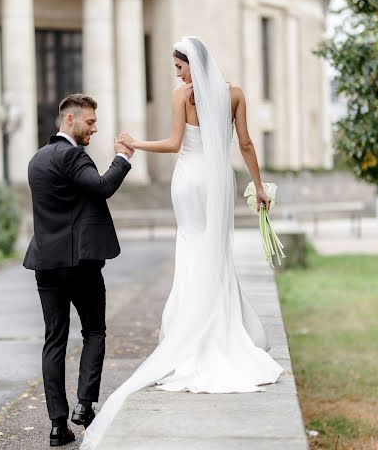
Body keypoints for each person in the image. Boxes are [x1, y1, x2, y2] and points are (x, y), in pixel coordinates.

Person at [81, 37, 283, 449]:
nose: (178, 74)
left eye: (180, 67)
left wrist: (135, 144)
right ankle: (217, 329)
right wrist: (258, 187)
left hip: (188, 179)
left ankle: (191, 332)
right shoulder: (234, 95)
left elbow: (174, 145)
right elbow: (244, 144)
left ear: (194, 63)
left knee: (193, 250)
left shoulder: (182, 97)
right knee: (212, 253)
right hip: (215, 181)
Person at [24, 93, 134, 447]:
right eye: (90, 122)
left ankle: (58, 425)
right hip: (80, 264)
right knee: (95, 331)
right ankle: (84, 406)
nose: (95, 128)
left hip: (46, 263)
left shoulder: (37, 159)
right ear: (69, 121)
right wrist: (122, 158)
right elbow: (102, 187)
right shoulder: (72, 155)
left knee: (53, 340)